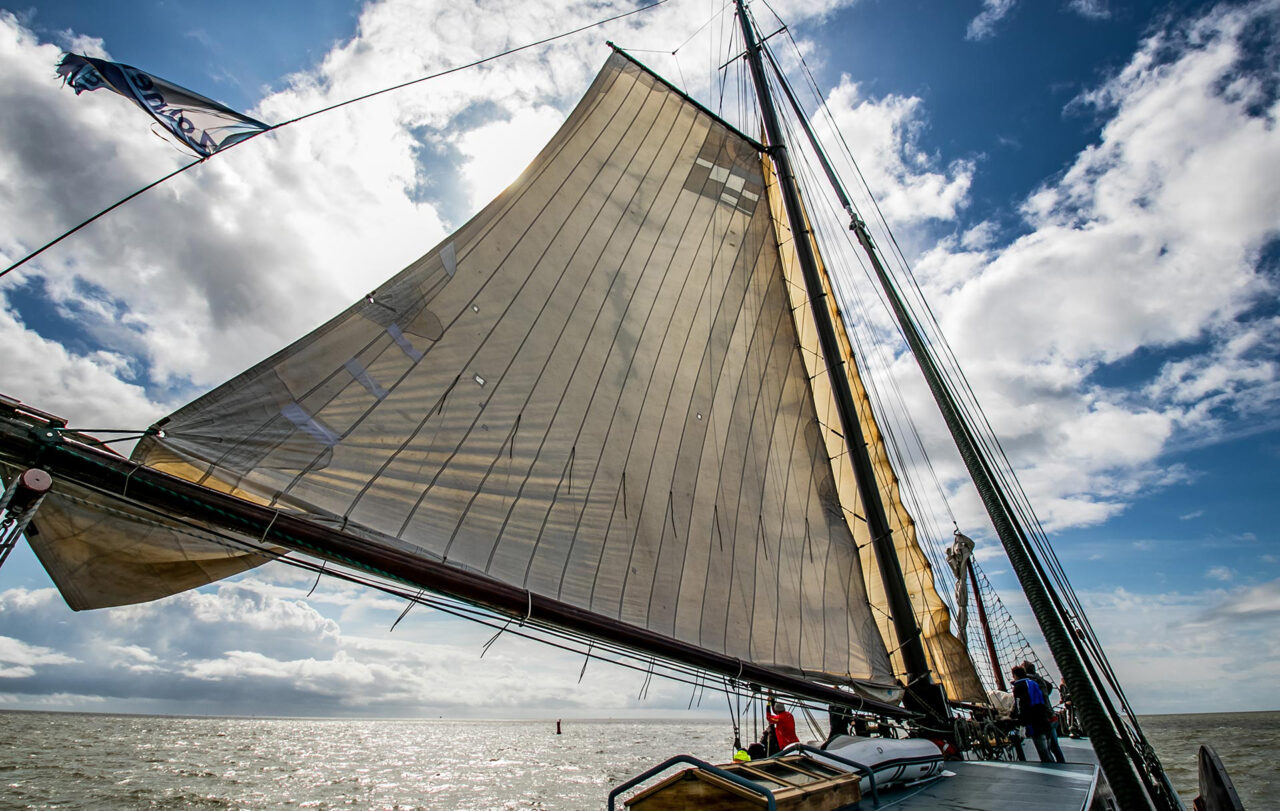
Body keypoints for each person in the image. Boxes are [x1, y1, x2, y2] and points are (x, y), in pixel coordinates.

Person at [1022, 662, 1066, 763]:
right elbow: (1049, 686)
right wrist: (1044, 696)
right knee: (1055, 746)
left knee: (1044, 749)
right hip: (1051, 716)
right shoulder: (1040, 679)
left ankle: (1051, 767)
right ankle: (1061, 764)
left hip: (1042, 719)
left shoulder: (1028, 682)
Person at [1010, 665, 1054, 763]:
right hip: (1044, 720)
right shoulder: (1033, 683)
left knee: (1043, 752)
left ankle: (1051, 770)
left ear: (1015, 675)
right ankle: (1056, 767)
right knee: (1048, 751)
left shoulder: (1018, 687)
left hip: (1034, 723)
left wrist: (1021, 723)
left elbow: (1020, 706)